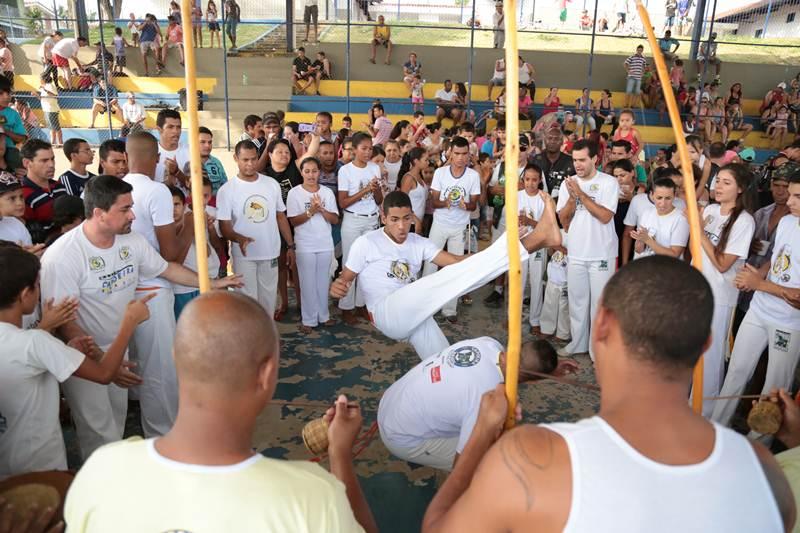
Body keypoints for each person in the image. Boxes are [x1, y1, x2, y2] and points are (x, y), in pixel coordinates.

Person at [420, 255, 794, 533]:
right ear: (705, 345)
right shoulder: (765, 471)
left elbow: (437, 528)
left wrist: (481, 436)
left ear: (601, 326)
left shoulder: (530, 458)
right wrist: (794, 441)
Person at [64, 292, 378, 533]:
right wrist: (340, 456)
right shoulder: (312, 496)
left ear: (177, 358)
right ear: (267, 375)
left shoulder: (102, 470)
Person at [40, 175, 239, 460]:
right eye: (125, 209)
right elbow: (65, 323)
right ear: (99, 213)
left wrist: (210, 283)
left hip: (117, 349)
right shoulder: (64, 257)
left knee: (116, 422)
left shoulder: (130, 240)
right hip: (84, 356)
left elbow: (165, 269)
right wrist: (103, 364)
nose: (133, 215)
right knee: (98, 431)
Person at [331, 190, 562, 360]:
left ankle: (450, 394)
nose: (402, 226)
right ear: (383, 218)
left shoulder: (418, 243)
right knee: (437, 282)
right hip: (385, 312)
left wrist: (494, 250)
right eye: (394, 220)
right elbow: (346, 278)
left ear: (413, 216)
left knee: (444, 360)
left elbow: (458, 264)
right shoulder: (366, 243)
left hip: (413, 313)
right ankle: (534, 240)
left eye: (406, 218)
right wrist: (337, 286)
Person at [0, 244, 153, 478]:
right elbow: (103, 374)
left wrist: (60, 347)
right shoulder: (35, 343)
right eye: (38, 286)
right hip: (40, 466)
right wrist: (128, 323)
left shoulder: (32, 341)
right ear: (24, 295)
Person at [378, 336, 576, 471]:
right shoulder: (485, 399)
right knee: (493, 457)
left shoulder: (489, 344)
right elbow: (462, 465)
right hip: (400, 436)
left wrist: (548, 371)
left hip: (391, 401)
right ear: (532, 381)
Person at [122, 132, 197, 438]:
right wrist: (190, 227)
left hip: (121, 286)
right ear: (155, 159)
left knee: (133, 361)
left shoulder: (111, 189)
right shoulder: (157, 191)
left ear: (127, 158)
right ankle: (163, 434)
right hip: (153, 286)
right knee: (159, 368)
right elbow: (170, 255)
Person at [712, 171, 800, 428]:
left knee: (775, 389)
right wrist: (757, 274)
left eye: (797, 196)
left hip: (788, 322)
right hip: (760, 309)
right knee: (737, 371)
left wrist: (759, 284)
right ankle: (716, 427)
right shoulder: (787, 222)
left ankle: (760, 442)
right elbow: (778, 258)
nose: (790, 201)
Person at [694, 163, 755, 416]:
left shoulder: (744, 221)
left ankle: (706, 414)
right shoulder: (709, 209)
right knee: (695, 353)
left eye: (726, 182)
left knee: (711, 356)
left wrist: (698, 229)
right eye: (717, 180)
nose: (718, 186)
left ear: (740, 189)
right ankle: (691, 404)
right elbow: (697, 250)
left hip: (720, 296)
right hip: (698, 289)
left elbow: (721, 264)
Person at [556, 139, 619, 360]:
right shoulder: (569, 183)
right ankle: (578, 343)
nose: (578, 165)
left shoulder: (609, 183)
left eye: (582, 160)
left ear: (595, 159)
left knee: (599, 305)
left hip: (602, 253)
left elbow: (605, 216)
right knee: (577, 301)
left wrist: (581, 195)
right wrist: (573, 199)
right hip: (576, 252)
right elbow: (563, 220)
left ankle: (597, 350)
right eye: (575, 160)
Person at [217, 140, 296, 315]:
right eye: (245, 160)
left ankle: (267, 337)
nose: (250, 164)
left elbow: (280, 216)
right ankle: (251, 339)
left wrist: (290, 246)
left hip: (270, 251)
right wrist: (240, 239)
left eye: (254, 159)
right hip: (244, 255)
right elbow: (225, 227)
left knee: (268, 298)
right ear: (235, 158)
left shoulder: (271, 184)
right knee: (246, 301)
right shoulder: (227, 190)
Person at [421, 136, 481, 323]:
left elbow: (474, 206)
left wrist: (465, 206)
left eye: (464, 154)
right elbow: (434, 201)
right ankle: (426, 307)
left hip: (459, 227)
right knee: (430, 264)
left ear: (469, 155)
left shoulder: (473, 176)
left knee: (455, 267)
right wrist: (445, 202)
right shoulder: (440, 173)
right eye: (457, 153)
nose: (461, 158)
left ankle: (449, 309)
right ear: (450, 153)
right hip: (439, 224)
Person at [287, 157, 339, 332]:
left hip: (324, 243)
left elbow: (334, 219)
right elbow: (293, 221)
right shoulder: (295, 193)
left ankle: (324, 316)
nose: (311, 175)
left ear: (320, 172)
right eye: (307, 171)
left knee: (323, 281)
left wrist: (322, 210)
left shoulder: (327, 193)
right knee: (307, 282)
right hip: (305, 244)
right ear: (301, 172)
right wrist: (311, 211)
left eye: (314, 171)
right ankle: (308, 320)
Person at [336, 132, 383, 324]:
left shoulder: (375, 168)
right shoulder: (345, 171)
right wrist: (365, 190)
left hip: (371, 219)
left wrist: (376, 189)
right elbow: (343, 202)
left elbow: (379, 200)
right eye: (364, 148)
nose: (368, 152)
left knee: (368, 263)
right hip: (353, 221)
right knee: (350, 263)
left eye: (370, 148)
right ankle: (346, 307)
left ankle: (362, 304)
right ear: (354, 150)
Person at [168, 183, 222, 318]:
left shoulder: (197, 217)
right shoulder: (167, 229)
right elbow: (175, 262)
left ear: (184, 205)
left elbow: (213, 249)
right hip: (184, 289)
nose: (173, 209)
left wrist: (209, 228)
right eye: (169, 205)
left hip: (209, 280)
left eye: (176, 204)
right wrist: (191, 228)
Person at [516, 164, 547, 333]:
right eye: (527, 179)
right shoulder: (517, 196)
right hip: (519, 245)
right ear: (523, 180)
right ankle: (514, 317)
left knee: (536, 283)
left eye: (534, 180)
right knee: (517, 282)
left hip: (538, 245)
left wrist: (530, 222)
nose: (530, 183)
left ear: (540, 180)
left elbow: (547, 226)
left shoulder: (544, 198)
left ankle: (535, 320)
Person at [629, 177, 689, 260]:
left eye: (668, 198)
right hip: (644, 267)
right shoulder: (647, 213)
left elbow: (675, 255)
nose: (663, 203)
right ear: (652, 195)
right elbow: (638, 250)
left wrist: (647, 240)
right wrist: (640, 240)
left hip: (665, 270)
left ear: (674, 196)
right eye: (659, 198)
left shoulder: (681, 219)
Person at [20, 140, 64, 243]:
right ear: (27, 163)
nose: (51, 165)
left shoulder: (59, 186)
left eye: (52, 159)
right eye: (44, 161)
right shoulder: (22, 195)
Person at [531, 124, 574, 198]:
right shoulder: (536, 160)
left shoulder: (570, 162)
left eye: (556, 139)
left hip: (562, 204)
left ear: (562, 142)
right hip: (539, 202)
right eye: (550, 138)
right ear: (545, 140)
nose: (553, 141)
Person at [155, 109, 190, 189]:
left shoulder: (190, 152)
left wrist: (177, 172)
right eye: (170, 127)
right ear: (159, 129)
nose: (176, 131)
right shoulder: (150, 153)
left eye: (178, 127)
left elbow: (198, 187)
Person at [198, 126, 228, 195]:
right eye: (202, 142)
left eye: (210, 142)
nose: (207, 145)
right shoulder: (187, 162)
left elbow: (225, 186)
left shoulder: (216, 163)